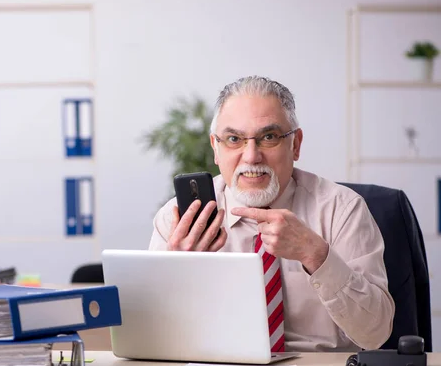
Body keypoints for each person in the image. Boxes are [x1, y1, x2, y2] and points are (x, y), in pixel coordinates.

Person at [148, 76, 395, 352]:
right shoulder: (177, 221)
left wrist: (316, 255)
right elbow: (151, 337)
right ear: (215, 148)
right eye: (233, 139)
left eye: (268, 137)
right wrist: (175, 274)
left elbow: (376, 334)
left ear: (296, 144)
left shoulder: (343, 209)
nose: (251, 156)